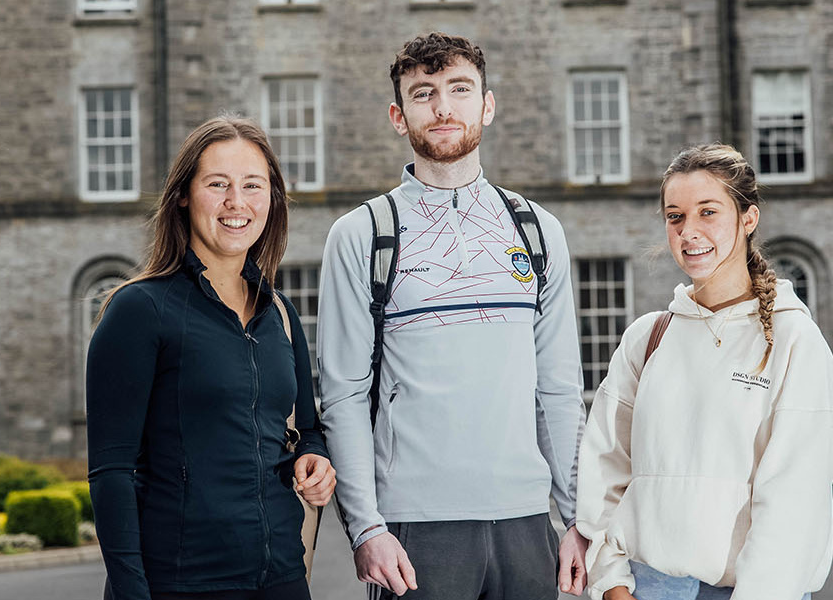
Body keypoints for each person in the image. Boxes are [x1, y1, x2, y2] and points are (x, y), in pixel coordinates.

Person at [316, 32, 590, 600]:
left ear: (487, 105)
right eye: (424, 93)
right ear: (399, 115)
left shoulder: (538, 232)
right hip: (416, 530)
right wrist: (366, 526)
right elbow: (341, 393)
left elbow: (559, 390)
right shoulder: (361, 235)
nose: (443, 107)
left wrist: (578, 519)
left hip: (525, 523)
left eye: (459, 89)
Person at [575, 144, 833, 600]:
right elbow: (606, 466)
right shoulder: (648, 338)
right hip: (646, 587)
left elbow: (794, 500)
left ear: (748, 219)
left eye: (708, 212)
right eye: (675, 216)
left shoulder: (793, 340)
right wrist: (612, 585)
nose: (688, 231)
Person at [87, 116, 337, 600]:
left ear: (272, 198)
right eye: (217, 184)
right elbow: (111, 473)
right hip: (181, 582)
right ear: (183, 195)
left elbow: (307, 429)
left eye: (252, 185)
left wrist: (314, 459)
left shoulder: (279, 312)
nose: (236, 203)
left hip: (283, 577)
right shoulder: (139, 310)